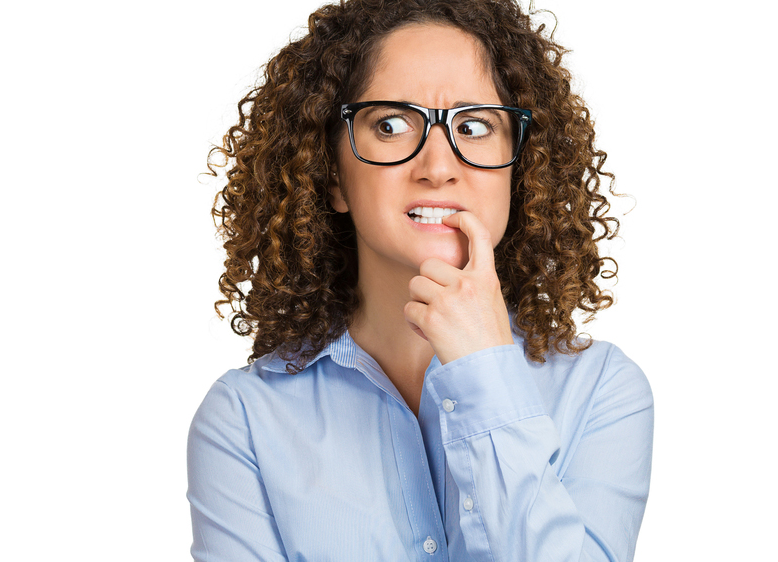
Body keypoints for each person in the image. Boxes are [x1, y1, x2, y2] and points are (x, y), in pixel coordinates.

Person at [187, 0, 654, 560]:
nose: (438, 166)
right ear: (333, 177)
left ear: (519, 172)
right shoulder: (243, 421)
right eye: (390, 124)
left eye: (476, 126)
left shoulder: (603, 391)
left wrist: (483, 371)